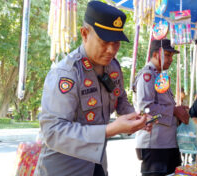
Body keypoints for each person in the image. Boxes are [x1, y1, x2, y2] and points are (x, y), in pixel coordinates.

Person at [35, 1, 152, 176]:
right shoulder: (66, 74)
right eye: (104, 41)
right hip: (63, 169)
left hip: (97, 165)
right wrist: (109, 130)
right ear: (84, 34)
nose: (112, 50)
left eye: (117, 42)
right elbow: (52, 132)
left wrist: (137, 117)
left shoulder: (113, 68)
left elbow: (120, 100)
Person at [133, 39, 190, 176]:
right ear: (155, 54)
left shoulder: (159, 75)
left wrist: (178, 110)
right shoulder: (147, 76)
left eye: (171, 56)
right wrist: (174, 111)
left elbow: (163, 105)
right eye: (167, 55)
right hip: (155, 144)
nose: (170, 59)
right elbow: (146, 109)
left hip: (167, 142)